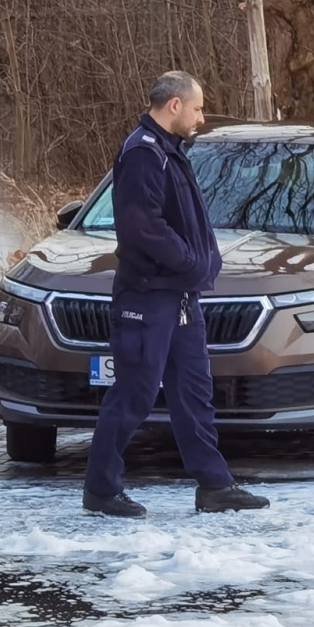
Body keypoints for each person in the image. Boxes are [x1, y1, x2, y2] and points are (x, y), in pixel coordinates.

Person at [81, 72, 270, 518]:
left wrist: (204, 261)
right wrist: (190, 260)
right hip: (147, 298)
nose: (201, 117)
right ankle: (101, 489)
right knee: (134, 393)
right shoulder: (145, 154)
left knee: (193, 391)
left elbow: (184, 220)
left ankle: (214, 485)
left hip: (181, 297)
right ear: (174, 106)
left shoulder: (170, 153)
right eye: (198, 108)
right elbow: (141, 227)